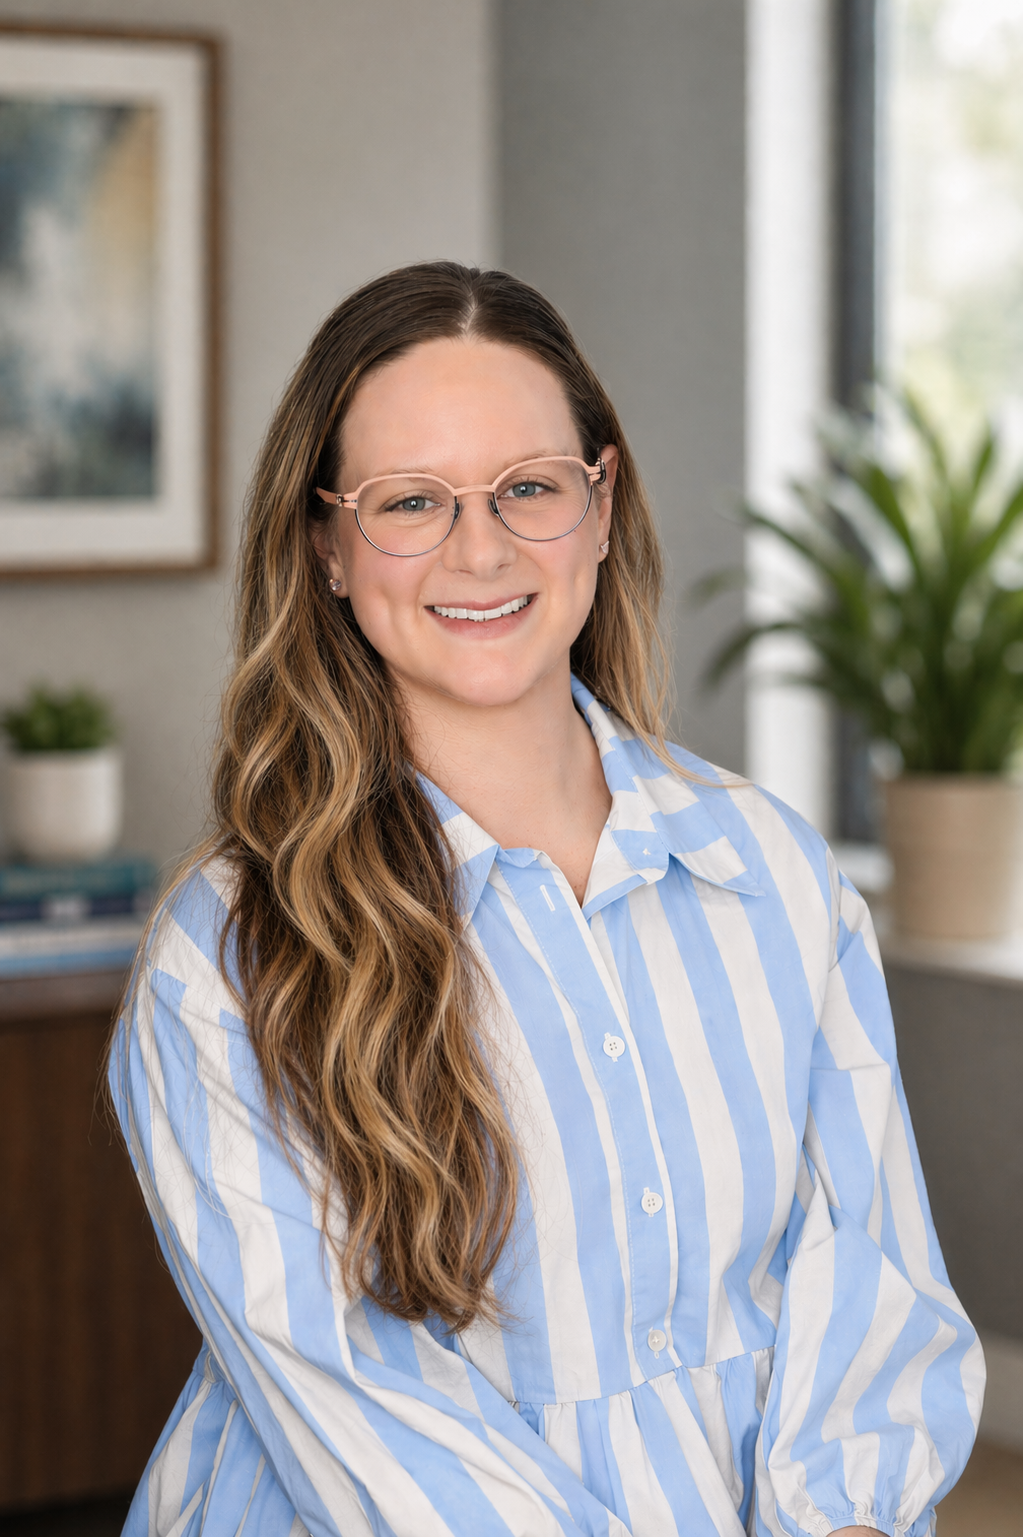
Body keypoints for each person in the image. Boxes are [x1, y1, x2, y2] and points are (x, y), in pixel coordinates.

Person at [110, 262, 982, 1537]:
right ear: (329, 549)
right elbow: (361, 1410)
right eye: (409, 501)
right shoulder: (227, 954)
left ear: (602, 501)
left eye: (529, 486)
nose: (482, 547)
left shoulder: (775, 873)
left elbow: (868, 1283)